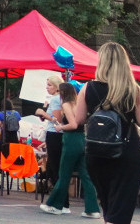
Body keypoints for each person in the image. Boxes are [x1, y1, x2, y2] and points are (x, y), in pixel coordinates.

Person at [72, 42, 140, 224]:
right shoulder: (133, 90)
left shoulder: (88, 88)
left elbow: (78, 119)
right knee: (120, 211)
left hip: (97, 152)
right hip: (126, 153)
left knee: (108, 207)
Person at [41, 82, 99, 218]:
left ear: (63, 93)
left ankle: (56, 205)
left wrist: (60, 127)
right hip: (81, 139)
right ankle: (92, 209)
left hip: (71, 140)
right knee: (85, 176)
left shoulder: (66, 105)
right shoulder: (78, 104)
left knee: (64, 174)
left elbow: (73, 124)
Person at [36, 75, 64, 189]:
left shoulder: (56, 99)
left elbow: (57, 120)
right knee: (54, 163)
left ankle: (57, 189)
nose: (47, 87)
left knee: (53, 164)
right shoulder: (60, 98)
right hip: (56, 134)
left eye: (49, 85)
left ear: (57, 87)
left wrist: (43, 113)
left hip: (54, 133)